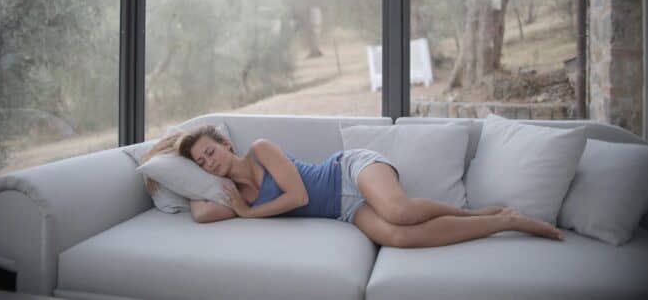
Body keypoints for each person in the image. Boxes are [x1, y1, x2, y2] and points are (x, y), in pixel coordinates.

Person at [164, 124, 564, 248]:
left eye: (210, 153)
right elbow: (201, 213)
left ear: (225, 143)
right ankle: (503, 220)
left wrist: (248, 213)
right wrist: (173, 172)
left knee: (399, 213)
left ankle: (482, 214)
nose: (209, 163)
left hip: (350, 170)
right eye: (201, 163)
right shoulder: (229, 195)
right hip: (345, 210)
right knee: (399, 238)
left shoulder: (260, 150)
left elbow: (299, 197)